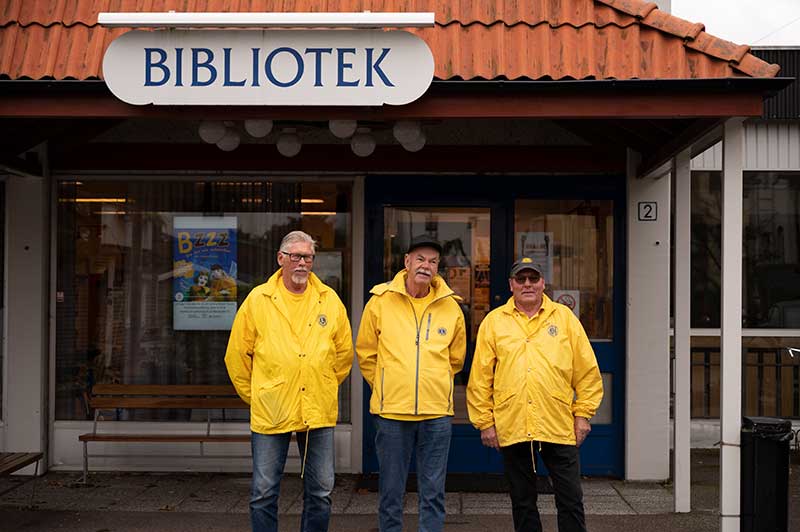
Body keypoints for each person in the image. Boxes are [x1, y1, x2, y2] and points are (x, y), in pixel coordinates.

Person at [225, 230, 353, 532]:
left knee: (321, 492)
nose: (302, 263)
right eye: (296, 256)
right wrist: (257, 395)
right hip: (273, 408)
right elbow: (236, 356)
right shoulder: (259, 300)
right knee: (264, 492)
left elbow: (344, 352)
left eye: (308, 257)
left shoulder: (328, 299)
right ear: (281, 258)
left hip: (317, 410)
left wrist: (323, 383)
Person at [466, 257, 603, 532]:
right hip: (513, 423)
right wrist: (485, 422)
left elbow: (586, 371)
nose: (527, 284)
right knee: (523, 500)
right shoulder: (494, 322)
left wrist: (583, 415)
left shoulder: (564, 319)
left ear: (543, 283)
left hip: (558, 423)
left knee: (571, 498)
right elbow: (481, 378)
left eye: (533, 278)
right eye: (521, 279)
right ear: (511, 285)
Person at [356, 235, 467, 532]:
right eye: (420, 259)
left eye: (432, 261)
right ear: (406, 262)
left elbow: (455, 360)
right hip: (392, 412)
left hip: (436, 414)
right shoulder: (379, 302)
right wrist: (385, 384)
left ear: (438, 267)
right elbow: (366, 352)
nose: (426, 266)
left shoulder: (451, 307)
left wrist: (435, 383)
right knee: (391, 491)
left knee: (433, 491)